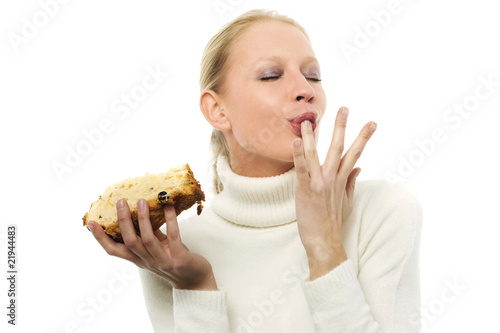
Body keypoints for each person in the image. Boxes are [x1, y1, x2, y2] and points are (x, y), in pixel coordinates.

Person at [87, 9, 423, 332]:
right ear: (217, 110)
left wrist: (325, 249)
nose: (306, 90)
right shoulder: (174, 249)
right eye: (270, 75)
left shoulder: (383, 210)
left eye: (313, 76)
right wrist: (198, 287)